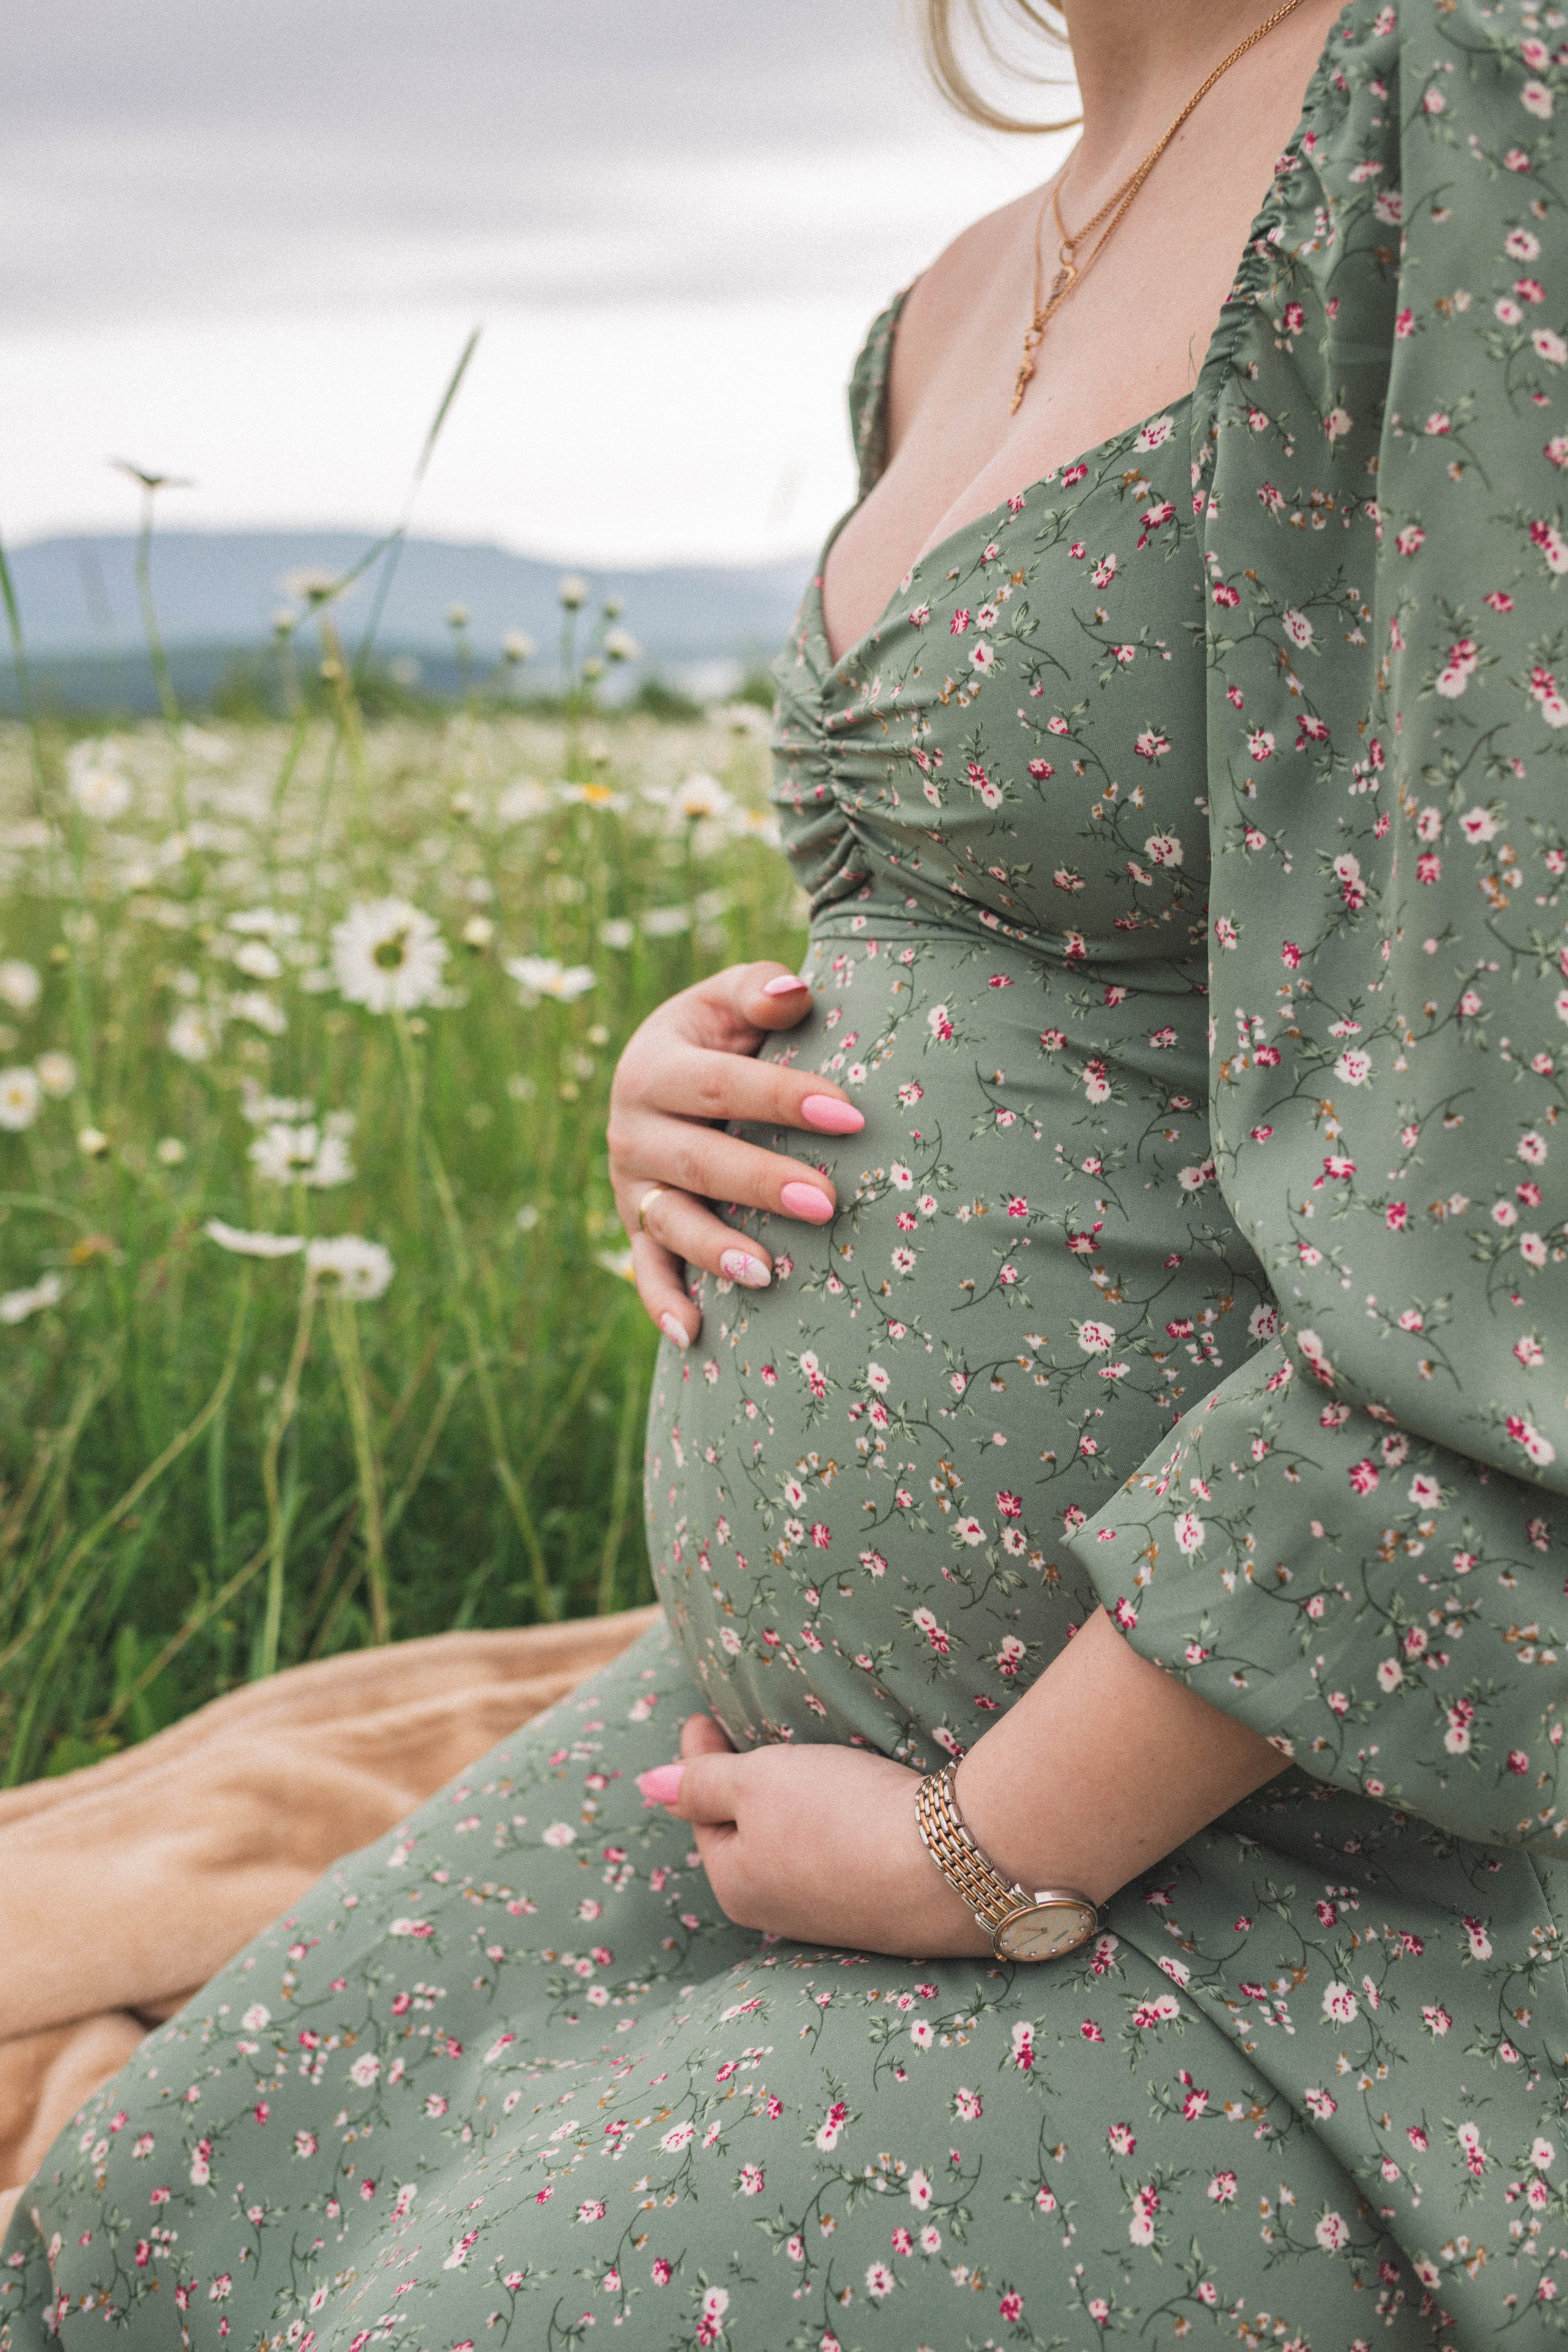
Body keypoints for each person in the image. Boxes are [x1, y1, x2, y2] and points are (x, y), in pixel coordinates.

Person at [6, 0, 1568, 2343]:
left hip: (1279, 1843)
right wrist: (717, 1056)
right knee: (138, 2221)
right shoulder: (955, 288)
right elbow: (1054, 942)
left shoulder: (1460, 102)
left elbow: (1512, 1164)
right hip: (775, 1756)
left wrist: (991, 1850)